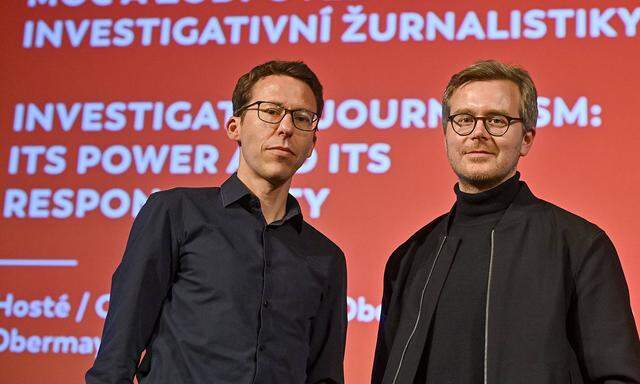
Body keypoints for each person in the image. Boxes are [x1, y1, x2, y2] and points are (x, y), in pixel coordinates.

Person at [371, 60, 640, 384]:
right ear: (446, 134)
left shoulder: (579, 245)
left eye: (497, 120)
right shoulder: (409, 258)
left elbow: (619, 376)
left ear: (526, 139)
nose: (478, 133)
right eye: (464, 120)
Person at [86, 60, 347, 384]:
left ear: (312, 144)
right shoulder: (175, 212)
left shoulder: (325, 257)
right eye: (270, 111)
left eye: (301, 117)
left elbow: (325, 376)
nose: (285, 127)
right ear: (234, 126)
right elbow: (117, 353)